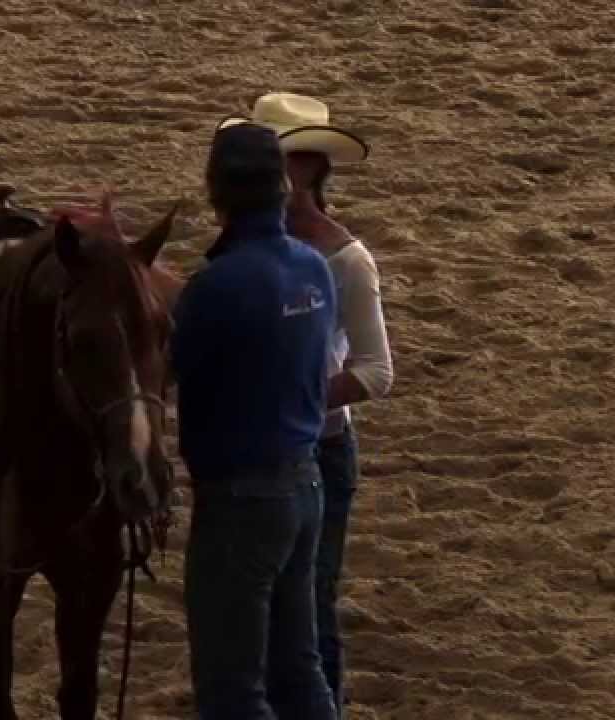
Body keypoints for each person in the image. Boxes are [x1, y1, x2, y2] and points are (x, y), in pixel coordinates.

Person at [219, 93, 395, 716]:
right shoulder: (248, 248)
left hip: (315, 446)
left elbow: (375, 373)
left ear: (313, 170)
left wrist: (287, 399)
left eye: (291, 163)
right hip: (261, 450)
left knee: (308, 613)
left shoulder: (347, 260)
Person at [171, 121, 339, 719]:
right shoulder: (314, 269)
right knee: (299, 667)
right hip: (306, 482)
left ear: (216, 192)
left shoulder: (215, 286)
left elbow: (171, 367)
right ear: (281, 188)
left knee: (232, 687)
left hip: (240, 500)